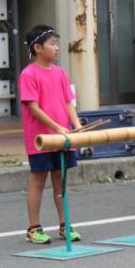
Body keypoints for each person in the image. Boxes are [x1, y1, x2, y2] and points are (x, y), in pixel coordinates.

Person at [19, 25, 81, 244]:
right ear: (37, 47)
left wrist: (76, 124)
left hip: (62, 135)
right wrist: (56, 127)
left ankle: (65, 225)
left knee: (60, 180)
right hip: (41, 138)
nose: (56, 48)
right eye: (52, 44)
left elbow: (68, 102)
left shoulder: (61, 73)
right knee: (38, 180)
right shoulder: (28, 74)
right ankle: (33, 228)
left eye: (57, 43)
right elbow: (33, 107)